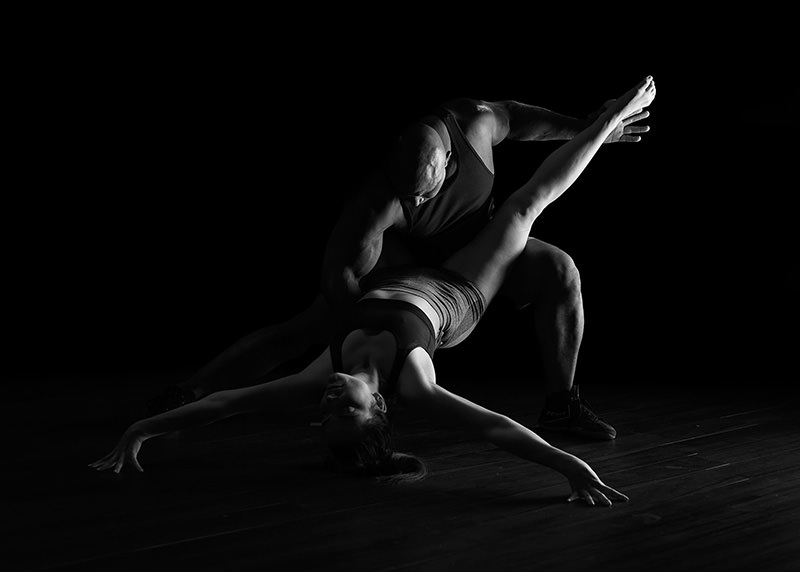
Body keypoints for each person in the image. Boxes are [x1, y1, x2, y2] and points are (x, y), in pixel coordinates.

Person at [93, 75, 656, 506]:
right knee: (526, 206)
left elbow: (229, 406)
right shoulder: (414, 384)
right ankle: (610, 127)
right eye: (350, 410)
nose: (331, 399)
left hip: (400, 279)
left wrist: (143, 430)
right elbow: (493, 427)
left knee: (310, 327)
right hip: (457, 297)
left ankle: (180, 387)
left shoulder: (323, 374)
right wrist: (569, 468)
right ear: (378, 404)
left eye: (327, 412)